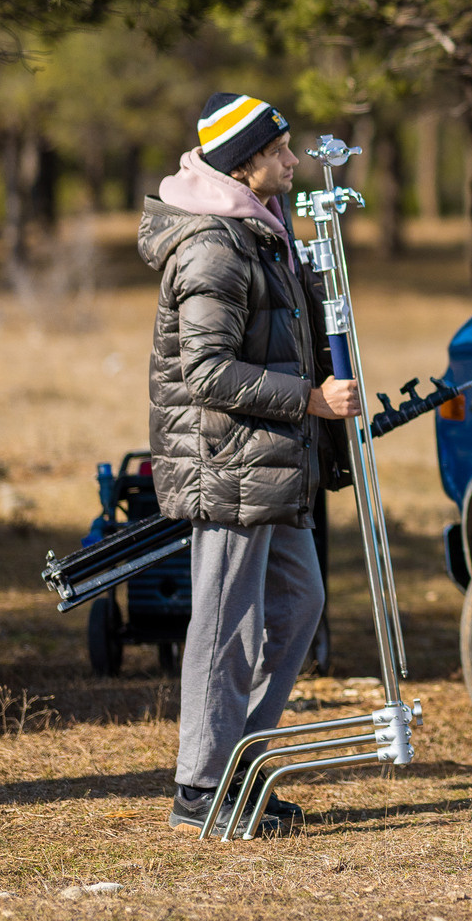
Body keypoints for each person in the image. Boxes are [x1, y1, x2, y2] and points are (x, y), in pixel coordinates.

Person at [138, 92, 360, 838]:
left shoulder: (257, 231)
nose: (292, 162)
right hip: (228, 463)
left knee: (298, 607)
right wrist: (312, 401)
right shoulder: (212, 246)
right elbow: (206, 372)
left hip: (269, 462)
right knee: (226, 624)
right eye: (280, 151)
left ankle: (239, 765)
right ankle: (201, 787)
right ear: (245, 161)